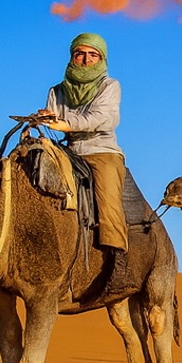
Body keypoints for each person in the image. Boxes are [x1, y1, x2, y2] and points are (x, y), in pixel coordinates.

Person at [30, 32, 127, 266]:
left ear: (102, 59)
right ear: (72, 57)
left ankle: (118, 261)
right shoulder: (57, 91)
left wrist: (67, 124)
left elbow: (104, 118)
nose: (86, 59)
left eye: (92, 54)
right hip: (69, 150)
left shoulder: (109, 86)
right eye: (80, 54)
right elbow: (53, 118)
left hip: (101, 151)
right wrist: (44, 118)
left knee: (108, 200)